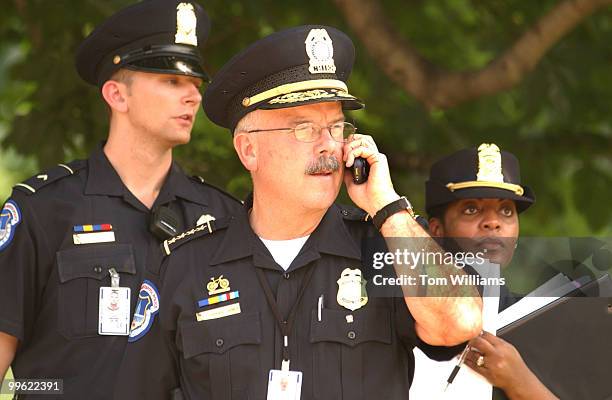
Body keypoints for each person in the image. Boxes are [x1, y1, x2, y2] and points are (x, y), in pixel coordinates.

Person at [115, 25, 482, 399]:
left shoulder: (387, 247)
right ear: (248, 151)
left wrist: (387, 208)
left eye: (336, 127)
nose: (328, 146)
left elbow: (461, 323)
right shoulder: (184, 265)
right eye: (304, 128)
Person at [0, 1, 241, 398]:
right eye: (171, 81)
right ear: (117, 95)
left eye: (195, 85)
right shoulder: (42, 210)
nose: (193, 97)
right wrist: (52, 390)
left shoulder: (221, 217)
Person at [414, 144, 558, 399]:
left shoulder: (541, 318)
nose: (494, 222)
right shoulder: (401, 307)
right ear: (437, 230)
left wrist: (518, 380)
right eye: (471, 209)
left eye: (506, 210)